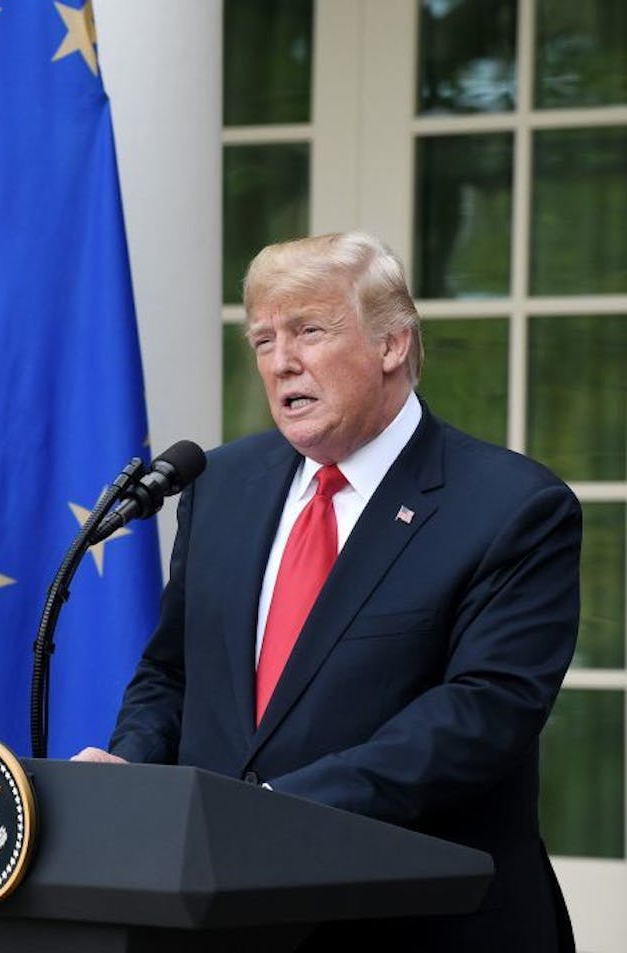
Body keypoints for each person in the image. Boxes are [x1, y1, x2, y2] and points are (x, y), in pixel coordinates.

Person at [76, 232, 580, 951]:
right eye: (262, 340)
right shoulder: (220, 486)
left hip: (417, 925)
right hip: (222, 922)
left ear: (393, 344)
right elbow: (174, 672)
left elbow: (482, 712)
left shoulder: (511, 507)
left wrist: (279, 808)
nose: (282, 361)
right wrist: (130, 763)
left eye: (309, 330)